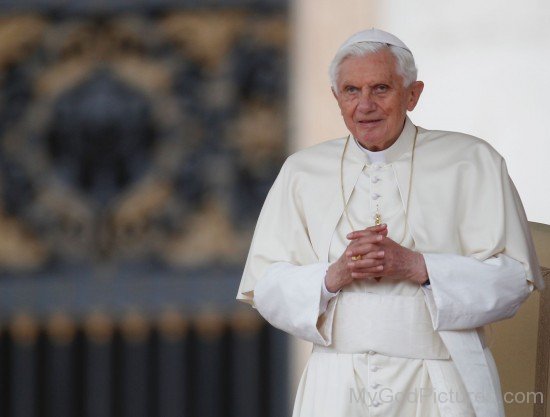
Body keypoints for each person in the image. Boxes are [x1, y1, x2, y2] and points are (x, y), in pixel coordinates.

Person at [236, 28, 544, 417]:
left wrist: (418, 266)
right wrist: (335, 274)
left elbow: (515, 279)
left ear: (412, 94)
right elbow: (265, 286)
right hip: (336, 385)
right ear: (336, 98)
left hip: (441, 380)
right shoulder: (301, 171)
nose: (365, 105)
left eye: (380, 88)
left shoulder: (472, 161)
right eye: (351, 91)